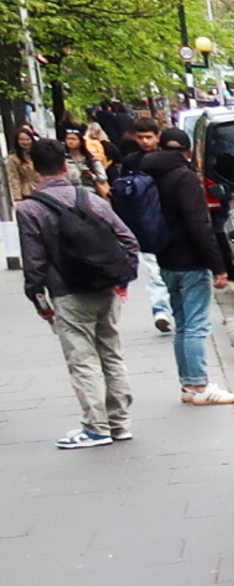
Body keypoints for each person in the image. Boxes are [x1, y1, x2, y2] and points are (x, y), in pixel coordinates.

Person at [15, 136, 138, 449]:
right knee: (111, 352)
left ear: (33, 167)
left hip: (67, 292)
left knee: (82, 359)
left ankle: (96, 428)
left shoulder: (30, 209)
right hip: (106, 287)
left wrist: (39, 300)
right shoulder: (91, 200)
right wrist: (123, 280)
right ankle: (120, 423)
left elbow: (34, 262)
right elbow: (128, 240)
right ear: (65, 165)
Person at [136, 130, 234, 405]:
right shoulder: (185, 177)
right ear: (187, 150)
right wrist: (218, 266)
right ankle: (200, 386)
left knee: (182, 324)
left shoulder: (151, 174)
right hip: (190, 260)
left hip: (165, 258)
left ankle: (188, 385)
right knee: (196, 326)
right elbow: (199, 224)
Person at [107, 115, 175, 336]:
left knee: (169, 270)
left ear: (157, 136)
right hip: (145, 222)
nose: (145, 141)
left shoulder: (167, 158)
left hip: (168, 218)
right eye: (140, 137)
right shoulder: (131, 161)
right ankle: (161, 311)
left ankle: (169, 308)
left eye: (148, 137)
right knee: (155, 270)